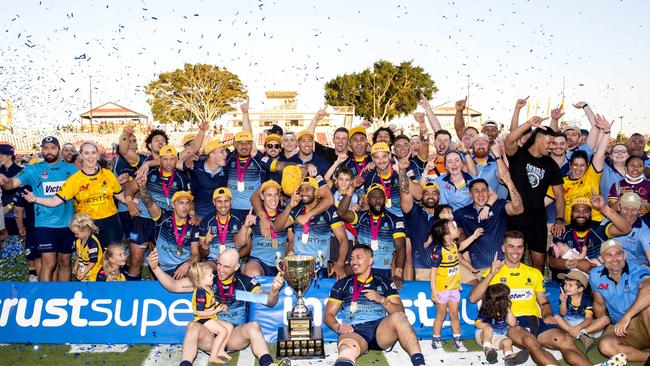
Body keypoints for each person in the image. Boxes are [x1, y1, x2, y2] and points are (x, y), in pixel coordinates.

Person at [469, 231, 610, 366]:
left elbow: (543, 302)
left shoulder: (534, 273)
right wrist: (491, 274)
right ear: (503, 248)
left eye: (519, 247)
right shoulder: (494, 272)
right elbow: (473, 299)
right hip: (512, 324)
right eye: (511, 246)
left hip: (536, 320)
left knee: (565, 340)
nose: (515, 251)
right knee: (532, 343)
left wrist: (547, 314)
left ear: (524, 249)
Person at [148, 248, 284, 366]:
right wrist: (155, 268)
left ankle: (268, 363)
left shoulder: (246, 283)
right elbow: (175, 286)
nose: (220, 270)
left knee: (254, 326)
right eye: (219, 264)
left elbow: (269, 301)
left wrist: (274, 291)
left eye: (226, 267)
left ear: (236, 267)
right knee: (192, 326)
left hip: (233, 338)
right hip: (210, 338)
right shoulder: (207, 279)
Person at [324, 244, 426, 366]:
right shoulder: (342, 283)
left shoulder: (384, 282)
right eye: (351, 258)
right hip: (354, 331)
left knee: (399, 317)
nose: (353, 262)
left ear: (370, 261)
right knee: (346, 350)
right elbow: (328, 315)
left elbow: (400, 311)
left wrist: (382, 300)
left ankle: (420, 363)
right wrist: (337, 327)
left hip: (381, 331)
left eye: (358, 257)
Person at [0, 136, 77, 281]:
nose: (49, 151)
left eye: (53, 148)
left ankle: (63, 296)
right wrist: (4, 182)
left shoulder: (71, 169)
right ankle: (45, 297)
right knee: (49, 262)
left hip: (67, 223)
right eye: (46, 148)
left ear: (58, 150)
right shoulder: (32, 169)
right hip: (44, 224)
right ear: (41, 150)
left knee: (65, 262)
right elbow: (11, 184)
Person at [24, 141, 126, 248]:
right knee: (91, 260)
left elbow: (121, 196)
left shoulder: (108, 175)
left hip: (111, 223)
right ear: (80, 155)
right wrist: (35, 199)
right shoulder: (74, 180)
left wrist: (136, 202)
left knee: (113, 259)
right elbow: (54, 201)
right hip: (87, 225)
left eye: (93, 152)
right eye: (86, 153)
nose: (90, 156)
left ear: (97, 155)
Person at [504, 116, 565, 272]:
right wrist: (528, 124)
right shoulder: (519, 155)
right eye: (549, 143)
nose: (551, 147)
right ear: (538, 140)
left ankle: (535, 292)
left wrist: (559, 218)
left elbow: (559, 195)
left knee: (538, 263)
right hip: (516, 215)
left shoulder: (551, 164)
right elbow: (508, 141)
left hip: (538, 217)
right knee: (514, 259)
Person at [125, 145, 191, 280]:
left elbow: (188, 200)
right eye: (165, 159)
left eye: (172, 159)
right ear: (159, 159)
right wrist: (129, 202)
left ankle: (156, 292)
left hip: (165, 223)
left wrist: (193, 214)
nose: (169, 163)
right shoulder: (149, 172)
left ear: (175, 160)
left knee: (159, 263)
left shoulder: (182, 178)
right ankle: (133, 294)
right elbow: (130, 188)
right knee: (136, 261)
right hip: (143, 220)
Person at [455, 159, 524, 285]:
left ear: (489, 192)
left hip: (500, 267)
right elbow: (450, 237)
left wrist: (509, 183)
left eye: (484, 190)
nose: (481, 194)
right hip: (477, 271)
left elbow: (518, 209)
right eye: (476, 191)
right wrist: (465, 258)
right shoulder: (462, 213)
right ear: (470, 194)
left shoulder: (499, 206)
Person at [273, 177, 349, 279]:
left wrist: (340, 264)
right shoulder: (296, 210)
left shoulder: (329, 211)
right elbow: (276, 228)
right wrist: (289, 206)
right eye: (301, 189)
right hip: (297, 265)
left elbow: (343, 239)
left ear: (316, 192)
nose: (304, 193)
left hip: (319, 266)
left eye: (308, 189)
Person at [591, 239, 650, 363]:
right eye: (609, 255)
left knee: (648, 306)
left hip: (643, 322)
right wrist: (604, 328)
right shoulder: (595, 275)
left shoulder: (636, 270)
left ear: (625, 256)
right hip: (623, 330)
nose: (615, 259)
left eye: (618, 254)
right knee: (605, 345)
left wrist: (627, 316)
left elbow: (649, 287)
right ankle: (647, 357)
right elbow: (599, 304)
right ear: (601, 259)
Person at [429, 219, 484, 352]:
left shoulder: (453, 245)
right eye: (453, 227)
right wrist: (434, 290)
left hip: (454, 289)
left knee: (455, 315)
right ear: (446, 235)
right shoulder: (438, 252)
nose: (456, 228)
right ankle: (436, 339)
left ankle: (457, 340)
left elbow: (462, 246)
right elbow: (433, 272)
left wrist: (474, 236)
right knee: (441, 316)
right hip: (442, 290)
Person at [337, 183, 406, 288]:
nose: (377, 200)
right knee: (345, 271)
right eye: (373, 197)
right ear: (368, 200)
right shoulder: (361, 217)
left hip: (383, 271)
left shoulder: (395, 220)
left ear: (385, 199)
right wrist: (351, 189)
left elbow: (400, 248)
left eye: (380, 196)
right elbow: (341, 212)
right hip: (361, 270)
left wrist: (398, 274)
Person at [548, 195, 631, 281]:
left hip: (595, 281)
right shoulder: (563, 230)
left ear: (591, 213)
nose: (581, 214)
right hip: (566, 283)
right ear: (571, 213)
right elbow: (551, 262)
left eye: (585, 211)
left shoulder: (598, 228)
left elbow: (626, 229)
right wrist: (576, 264)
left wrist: (603, 207)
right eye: (577, 210)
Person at [546, 114, 611, 223]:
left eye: (582, 165)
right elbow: (543, 201)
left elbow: (600, 153)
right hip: (571, 226)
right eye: (575, 165)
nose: (578, 169)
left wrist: (607, 132)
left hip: (594, 223)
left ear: (587, 166)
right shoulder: (561, 183)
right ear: (569, 165)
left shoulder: (591, 176)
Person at [138, 186, 200, 279]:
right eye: (181, 203)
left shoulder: (192, 224)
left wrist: (187, 264)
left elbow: (196, 254)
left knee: (194, 272)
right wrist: (142, 186)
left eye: (187, 203)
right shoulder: (163, 217)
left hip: (182, 267)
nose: (185, 206)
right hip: (162, 268)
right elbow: (148, 202)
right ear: (173, 205)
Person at [187, 262, 233, 364]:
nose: (213, 276)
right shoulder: (200, 293)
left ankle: (220, 350)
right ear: (200, 279)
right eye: (210, 275)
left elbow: (212, 301)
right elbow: (199, 312)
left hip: (211, 317)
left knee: (229, 327)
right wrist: (216, 310)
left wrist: (220, 305)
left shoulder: (208, 287)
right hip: (202, 319)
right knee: (223, 331)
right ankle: (213, 356)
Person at [243, 180, 289, 277]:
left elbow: (291, 240)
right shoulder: (255, 213)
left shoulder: (285, 214)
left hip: (281, 262)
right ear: (262, 196)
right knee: (252, 273)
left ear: (279, 195)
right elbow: (239, 243)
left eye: (276, 194)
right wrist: (245, 227)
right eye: (269, 195)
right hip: (259, 262)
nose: (273, 198)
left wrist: (290, 255)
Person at [474, 283, 527, 366]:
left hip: (499, 337)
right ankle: (488, 350)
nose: (508, 299)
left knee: (508, 341)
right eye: (506, 297)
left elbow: (512, 323)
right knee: (488, 329)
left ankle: (509, 358)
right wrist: (486, 326)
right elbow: (477, 323)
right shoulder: (486, 309)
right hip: (483, 335)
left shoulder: (505, 310)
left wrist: (508, 310)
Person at [198, 188, 249, 261]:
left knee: (250, 272)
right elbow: (203, 254)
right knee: (205, 270)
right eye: (219, 201)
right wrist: (205, 244)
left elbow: (248, 246)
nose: (223, 205)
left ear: (231, 201)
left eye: (226, 201)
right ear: (214, 202)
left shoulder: (239, 218)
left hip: (235, 260)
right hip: (213, 260)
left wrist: (233, 258)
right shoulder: (206, 221)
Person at [553, 269, 596, 352]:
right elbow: (563, 313)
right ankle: (581, 336)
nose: (566, 287)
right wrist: (563, 301)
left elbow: (588, 319)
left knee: (605, 319)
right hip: (568, 324)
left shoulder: (587, 300)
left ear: (580, 289)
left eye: (570, 285)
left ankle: (575, 334)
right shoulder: (565, 296)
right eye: (565, 284)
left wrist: (578, 328)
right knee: (556, 317)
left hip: (582, 325)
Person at [185, 140, 229, 220]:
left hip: (219, 218)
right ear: (212, 155)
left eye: (225, 151)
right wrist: (187, 158)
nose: (226, 154)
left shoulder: (227, 169)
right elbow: (173, 163)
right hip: (198, 217)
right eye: (222, 151)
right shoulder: (195, 166)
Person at [616, 192, 650, 267]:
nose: (629, 213)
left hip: (637, 269)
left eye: (634, 209)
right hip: (610, 265)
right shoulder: (607, 222)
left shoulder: (644, 231)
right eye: (625, 208)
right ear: (619, 207)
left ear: (639, 211)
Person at [70, 213, 103, 282]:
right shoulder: (78, 241)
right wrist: (76, 266)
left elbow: (93, 261)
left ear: (86, 230)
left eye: (77, 233)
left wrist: (84, 273)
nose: (75, 236)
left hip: (94, 274)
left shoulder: (92, 243)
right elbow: (79, 256)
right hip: (83, 272)